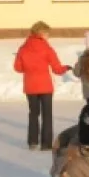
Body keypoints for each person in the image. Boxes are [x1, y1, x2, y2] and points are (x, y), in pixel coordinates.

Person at [13, 21, 71, 151]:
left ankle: (33, 141)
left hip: (30, 86)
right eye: (47, 33)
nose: (48, 36)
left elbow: (17, 68)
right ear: (41, 33)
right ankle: (46, 144)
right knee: (47, 115)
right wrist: (66, 68)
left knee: (33, 114)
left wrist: (28, 67)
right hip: (45, 87)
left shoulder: (23, 48)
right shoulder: (47, 48)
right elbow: (57, 69)